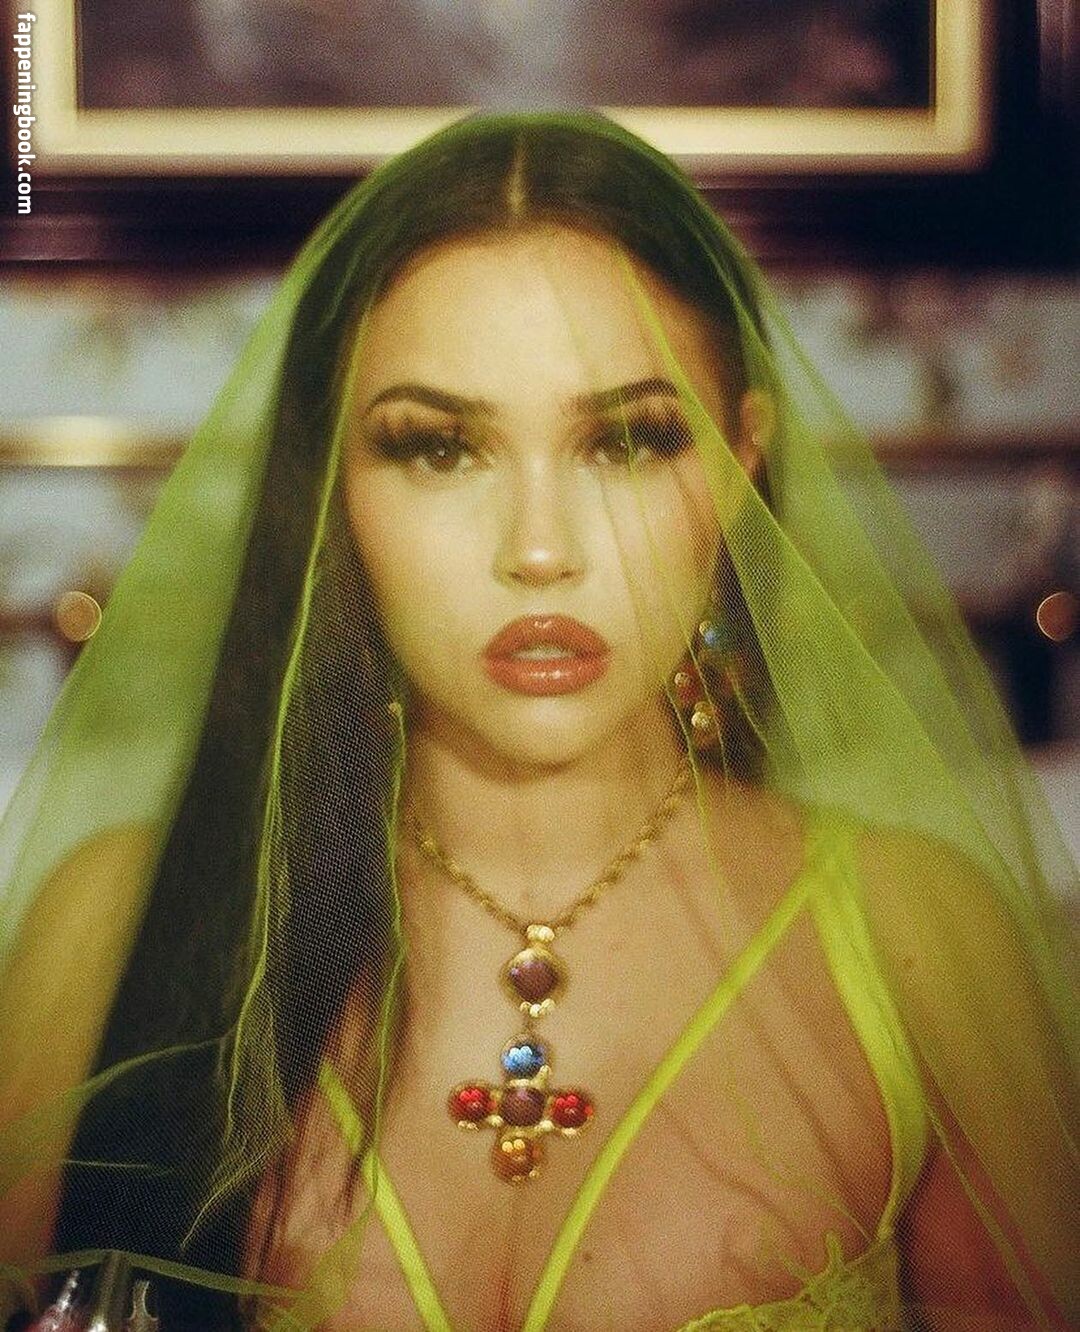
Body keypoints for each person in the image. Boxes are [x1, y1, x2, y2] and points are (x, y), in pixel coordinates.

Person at [0, 111, 1076, 1332]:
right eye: (439, 450)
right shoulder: (117, 927)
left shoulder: (918, 939)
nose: (542, 549)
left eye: (626, 441)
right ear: (333, 489)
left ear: (738, 462)